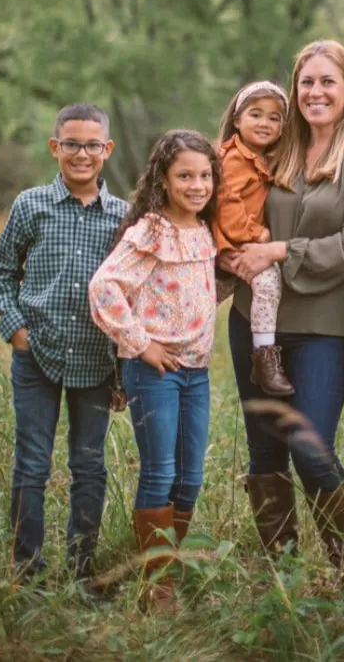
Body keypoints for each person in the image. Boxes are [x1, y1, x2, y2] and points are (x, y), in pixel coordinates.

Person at [223, 40, 344, 571]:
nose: (315, 92)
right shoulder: (277, 149)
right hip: (254, 320)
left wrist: (278, 250)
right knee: (265, 452)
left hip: (322, 325)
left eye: (327, 82)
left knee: (310, 448)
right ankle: (285, 574)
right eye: (306, 82)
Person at [0, 103, 126, 583]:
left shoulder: (122, 218)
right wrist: (16, 330)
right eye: (71, 144)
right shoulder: (31, 205)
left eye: (91, 145)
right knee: (32, 462)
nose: (81, 154)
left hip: (95, 360)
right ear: (55, 148)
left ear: (106, 149)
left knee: (89, 465)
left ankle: (82, 570)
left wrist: (124, 371)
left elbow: (129, 295)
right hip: (37, 355)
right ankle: (28, 571)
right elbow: (0, 272)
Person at [89, 129, 219, 607]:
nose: (197, 184)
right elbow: (104, 287)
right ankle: (157, 583)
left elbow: (196, 290)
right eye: (185, 175)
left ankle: (172, 561)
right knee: (160, 471)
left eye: (205, 175)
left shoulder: (203, 229)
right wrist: (141, 345)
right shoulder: (151, 230)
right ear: (163, 180)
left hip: (197, 371)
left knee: (191, 476)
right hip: (155, 371)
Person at [213, 80, 293, 396]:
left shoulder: (264, 158)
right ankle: (264, 355)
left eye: (274, 118)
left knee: (202, 304)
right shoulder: (233, 158)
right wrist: (256, 234)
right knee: (268, 283)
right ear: (237, 119)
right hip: (236, 242)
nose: (265, 123)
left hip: (240, 245)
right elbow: (226, 202)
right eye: (256, 115)